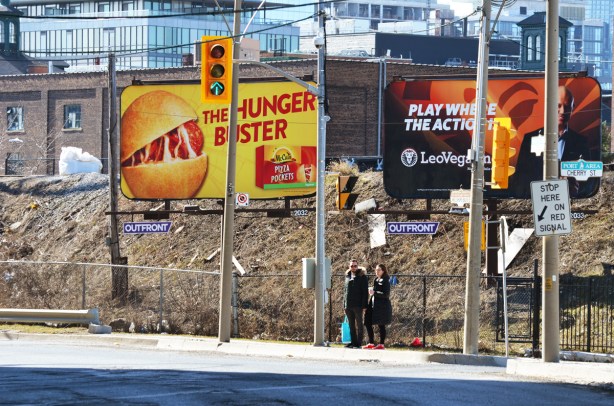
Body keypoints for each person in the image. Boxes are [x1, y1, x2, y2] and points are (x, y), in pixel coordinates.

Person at [510, 84, 591, 198]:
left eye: (567, 107)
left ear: (573, 108)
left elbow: (590, 183)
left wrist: (575, 187)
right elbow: (520, 180)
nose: (562, 111)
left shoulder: (581, 142)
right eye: (558, 106)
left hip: (569, 203)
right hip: (537, 201)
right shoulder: (531, 139)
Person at [363, 263, 393, 350]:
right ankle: (371, 342)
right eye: (376, 270)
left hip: (382, 306)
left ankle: (381, 344)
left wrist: (374, 293)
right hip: (373, 304)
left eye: (379, 270)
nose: (377, 271)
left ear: (383, 271)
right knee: (367, 322)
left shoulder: (386, 280)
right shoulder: (376, 279)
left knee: (381, 325)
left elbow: (386, 294)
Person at [343, 259, 369, 348]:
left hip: (358, 305)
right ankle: (353, 342)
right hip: (348, 305)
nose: (353, 267)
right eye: (351, 266)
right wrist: (344, 305)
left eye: (355, 266)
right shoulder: (347, 276)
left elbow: (365, 292)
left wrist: (364, 305)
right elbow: (345, 291)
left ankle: (358, 343)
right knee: (351, 325)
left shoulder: (362, 276)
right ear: (349, 267)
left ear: (357, 266)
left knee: (359, 324)